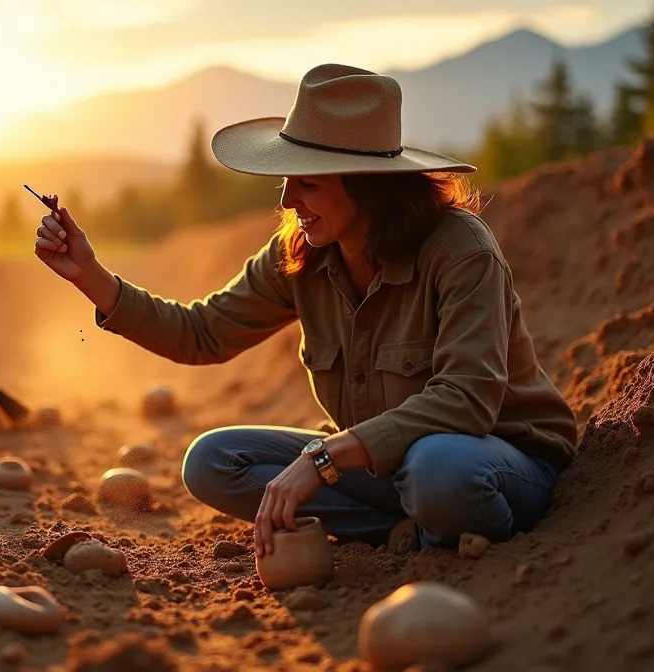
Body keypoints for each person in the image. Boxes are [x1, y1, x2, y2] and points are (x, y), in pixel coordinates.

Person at [31, 64, 579, 556]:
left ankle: (446, 533)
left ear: (368, 188)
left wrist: (324, 458)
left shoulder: (461, 251)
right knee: (213, 462)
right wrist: (91, 276)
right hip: (380, 465)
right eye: (287, 180)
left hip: (498, 462)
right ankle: (406, 532)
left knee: (438, 469)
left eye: (308, 183)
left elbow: (466, 401)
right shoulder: (299, 251)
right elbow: (203, 333)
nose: (289, 201)